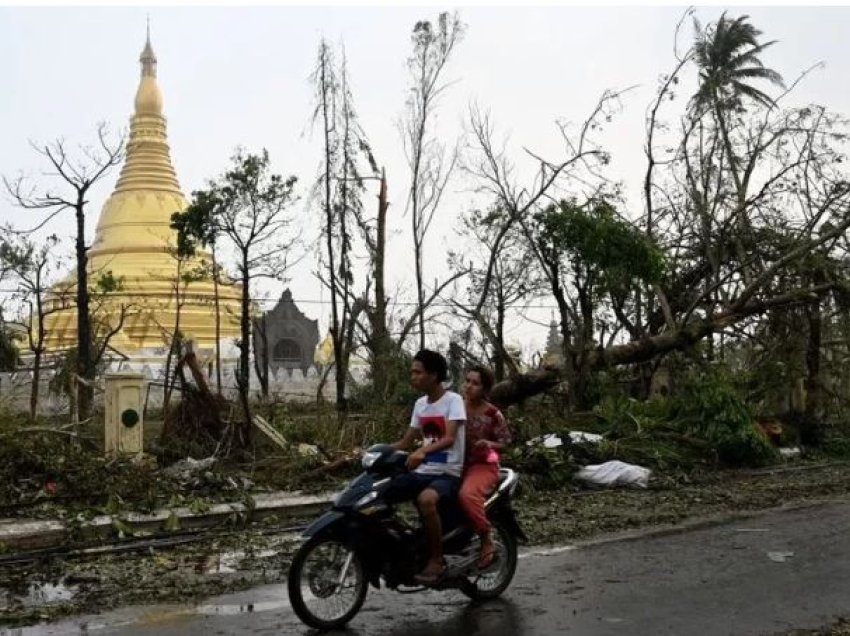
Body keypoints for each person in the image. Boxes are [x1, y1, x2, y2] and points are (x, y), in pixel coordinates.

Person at [388, 349, 466, 584]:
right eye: (412, 372)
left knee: (427, 500)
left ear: (433, 375)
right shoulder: (420, 404)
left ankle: (436, 559)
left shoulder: (453, 401)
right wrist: (372, 451)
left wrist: (422, 451)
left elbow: (449, 439)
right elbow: (405, 442)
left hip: (447, 472)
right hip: (424, 471)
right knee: (385, 492)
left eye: (417, 372)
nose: (413, 377)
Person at [459, 366, 511, 569]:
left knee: (467, 495)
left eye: (475, 383)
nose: (469, 386)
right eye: (467, 381)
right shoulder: (456, 407)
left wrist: (489, 444)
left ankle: (486, 539)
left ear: (485, 389)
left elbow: (505, 442)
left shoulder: (492, 413)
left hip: (484, 463)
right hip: (456, 462)